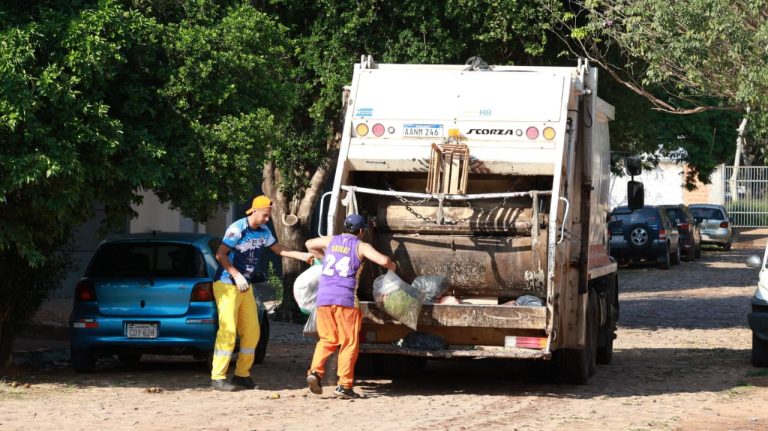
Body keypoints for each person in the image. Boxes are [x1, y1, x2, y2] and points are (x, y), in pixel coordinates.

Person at [210, 195, 312, 391]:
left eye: (268, 216)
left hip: (245, 286)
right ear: (254, 211)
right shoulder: (237, 228)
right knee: (228, 330)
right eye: (265, 215)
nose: (267, 219)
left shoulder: (264, 231)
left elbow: (278, 249)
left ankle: (242, 375)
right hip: (226, 284)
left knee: (252, 331)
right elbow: (220, 254)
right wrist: (236, 275)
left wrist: (302, 255)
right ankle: (218, 377)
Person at [304, 213, 396, 399]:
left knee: (328, 339)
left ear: (345, 228)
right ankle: (344, 385)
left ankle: (315, 372)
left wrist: (323, 257)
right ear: (361, 231)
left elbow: (308, 244)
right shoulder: (361, 245)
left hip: (324, 298)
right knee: (348, 342)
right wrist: (393, 266)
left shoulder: (332, 240)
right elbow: (384, 261)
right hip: (345, 299)